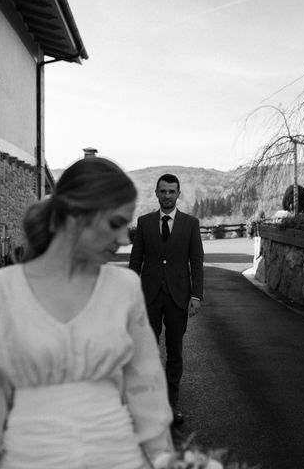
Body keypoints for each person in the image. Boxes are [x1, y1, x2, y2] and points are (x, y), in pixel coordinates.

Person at [0, 157, 174, 469]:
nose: (125, 239)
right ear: (74, 215)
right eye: (115, 223)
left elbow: (147, 389)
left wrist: (162, 459)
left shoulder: (124, 287)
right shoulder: (2, 291)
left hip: (119, 458)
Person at [129, 173, 204, 425]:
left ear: (178, 194)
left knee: (175, 354)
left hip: (178, 298)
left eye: (172, 191)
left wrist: (196, 295)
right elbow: (135, 261)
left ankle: (171, 408)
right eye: (163, 191)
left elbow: (197, 262)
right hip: (148, 297)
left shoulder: (190, 224)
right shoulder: (144, 222)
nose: (167, 195)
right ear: (156, 193)